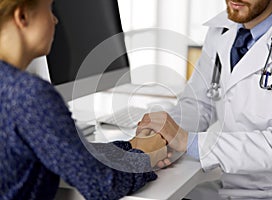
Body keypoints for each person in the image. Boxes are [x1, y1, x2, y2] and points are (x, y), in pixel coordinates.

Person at [0, 0, 167, 199]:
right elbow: (102, 184)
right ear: (22, 17)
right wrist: (147, 157)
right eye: (50, 8)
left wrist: (130, 146)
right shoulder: (29, 95)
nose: (55, 20)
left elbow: (71, 153)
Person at [137, 0, 272, 199]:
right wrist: (162, 133)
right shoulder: (223, 29)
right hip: (228, 184)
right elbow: (198, 103)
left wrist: (189, 142)